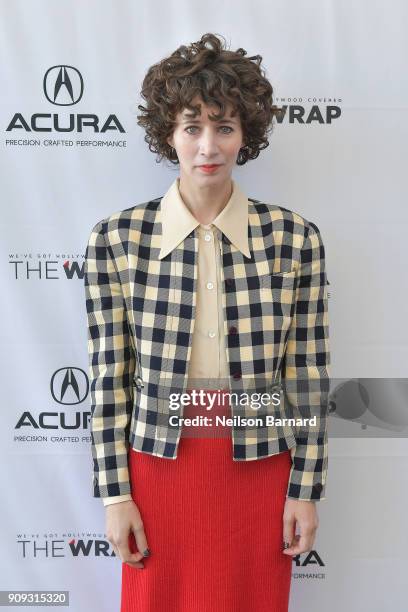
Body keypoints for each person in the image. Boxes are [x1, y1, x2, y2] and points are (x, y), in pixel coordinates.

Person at [84, 32, 331, 612]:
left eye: (224, 126)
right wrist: (115, 495)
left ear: (247, 134)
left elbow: (308, 373)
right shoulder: (118, 239)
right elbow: (108, 379)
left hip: (260, 461)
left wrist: (306, 489)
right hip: (157, 464)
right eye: (192, 126)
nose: (207, 146)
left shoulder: (294, 238)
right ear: (167, 132)